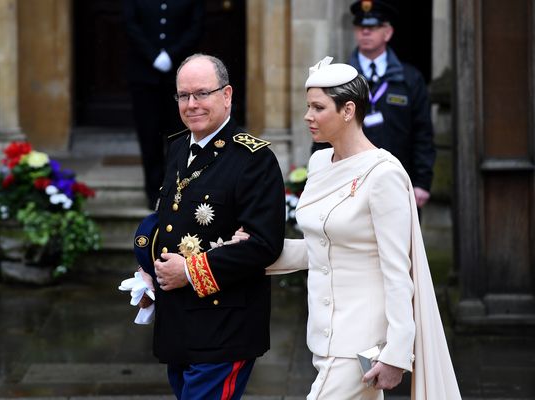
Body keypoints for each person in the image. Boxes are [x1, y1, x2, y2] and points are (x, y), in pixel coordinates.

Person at [236, 58, 461, 399]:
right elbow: (320, 247)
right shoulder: (318, 162)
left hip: (362, 340)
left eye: (318, 107)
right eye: (307, 106)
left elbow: (399, 271)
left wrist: (398, 353)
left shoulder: (384, 173)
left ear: (348, 110)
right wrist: (253, 251)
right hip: (324, 333)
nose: (308, 116)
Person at [137, 54, 286, 399]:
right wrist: (149, 269)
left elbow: (264, 244)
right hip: (179, 324)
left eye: (202, 93)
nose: (192, 105)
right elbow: (171, 221)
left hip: (224, 327)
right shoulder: (177, 147)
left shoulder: (253, 158)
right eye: (183, 96)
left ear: (227, 95)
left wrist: (188, 271)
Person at [314, 0, 435, 209]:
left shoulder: (409, 79)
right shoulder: (338, 78)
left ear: (387, 33)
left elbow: (422, 133)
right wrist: (320, 176)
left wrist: (422, 182)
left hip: (398, 181)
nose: (365, 33)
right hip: (348, 182)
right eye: (361, 28)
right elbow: (323, 125)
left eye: (372, 28)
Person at [123, 1, 204, 210]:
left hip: (181, 78)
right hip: (143, 76)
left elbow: (196, 25)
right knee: (148, 136)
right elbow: (130, 24)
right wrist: (153, 55)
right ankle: (153, 193)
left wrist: (171, 54)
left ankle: (176, 191)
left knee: (179, 136)